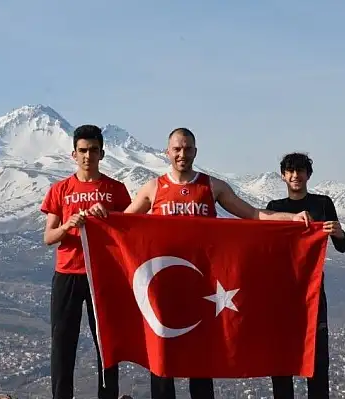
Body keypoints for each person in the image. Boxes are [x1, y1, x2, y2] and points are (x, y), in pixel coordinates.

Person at [123, 128, 313, 399]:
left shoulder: (212, 186)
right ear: (167, 152)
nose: (182, 154)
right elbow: (122, 224)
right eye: (177, 149)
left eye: (187, 149)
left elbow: (252, 214)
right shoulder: (154, 188)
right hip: (164, 289)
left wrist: (290, 219)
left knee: (201, 360)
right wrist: (97, 217)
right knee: (162, 358)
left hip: (202, 288)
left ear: (195, 152)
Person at [40, 125, 132, 399]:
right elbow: (48, 237)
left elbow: (129, 231)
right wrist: (69, 224)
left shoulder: (115, 189)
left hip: (103, 274)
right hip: (67, 273)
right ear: (73, 154)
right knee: (62, 343)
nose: (87, 156)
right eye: (82, 150)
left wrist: (109, 220)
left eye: (93, 150)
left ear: (102, 153)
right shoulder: (60, 189)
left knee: (106, 343)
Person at [265, 152, 345, 399]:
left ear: (308, 175)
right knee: (281, 360)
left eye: (300, 171)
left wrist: (338, 233)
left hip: (312, 292)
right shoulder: (274, 209)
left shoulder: (322, 204)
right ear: (283, 176)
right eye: (290, 171)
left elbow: (342, 246)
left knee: (318, 361)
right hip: (281, 294)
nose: (295, 176)